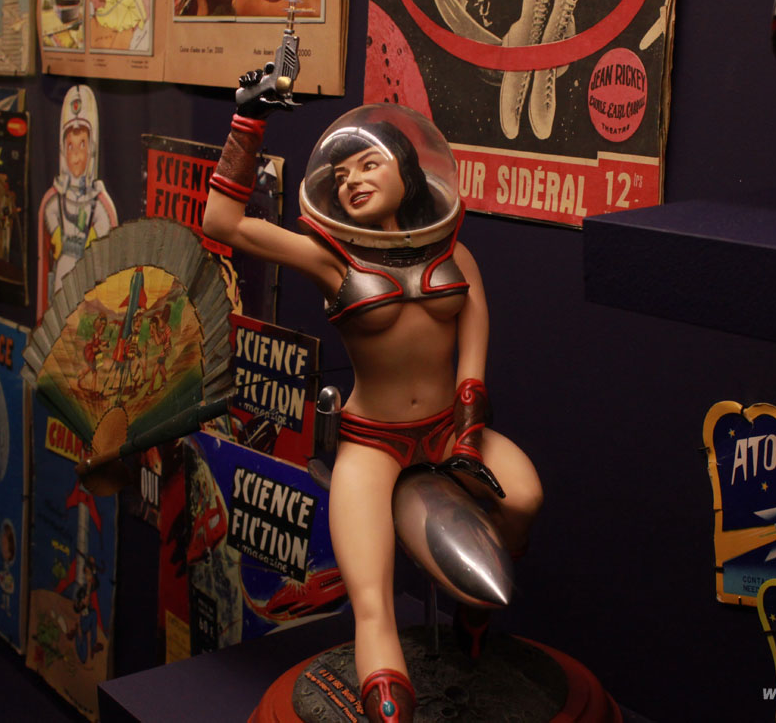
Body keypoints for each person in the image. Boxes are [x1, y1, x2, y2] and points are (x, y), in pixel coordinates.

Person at [203, 92, 542, 722]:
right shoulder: (332, 260)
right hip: (372, 441)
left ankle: (473, 607)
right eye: (341, 175)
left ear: (407, 171)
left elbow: (473, 353)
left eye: (369, 165)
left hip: (449, 429)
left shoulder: (455, 254)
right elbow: (223, 225)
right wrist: (247, 122)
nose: (352, 180)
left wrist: (469, 433)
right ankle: (388, 701)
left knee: (522, 497)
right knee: (371, 598)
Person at [37, 85, 118, 317]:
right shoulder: (55, 199)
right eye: (70, 146)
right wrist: (56, 233)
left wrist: (93, 240)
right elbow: (50, 213)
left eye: (82, 145)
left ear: (91, 148)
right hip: (63, 267)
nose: (75, 156)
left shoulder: (97, 202)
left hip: (86, 272)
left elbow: (105, 228)